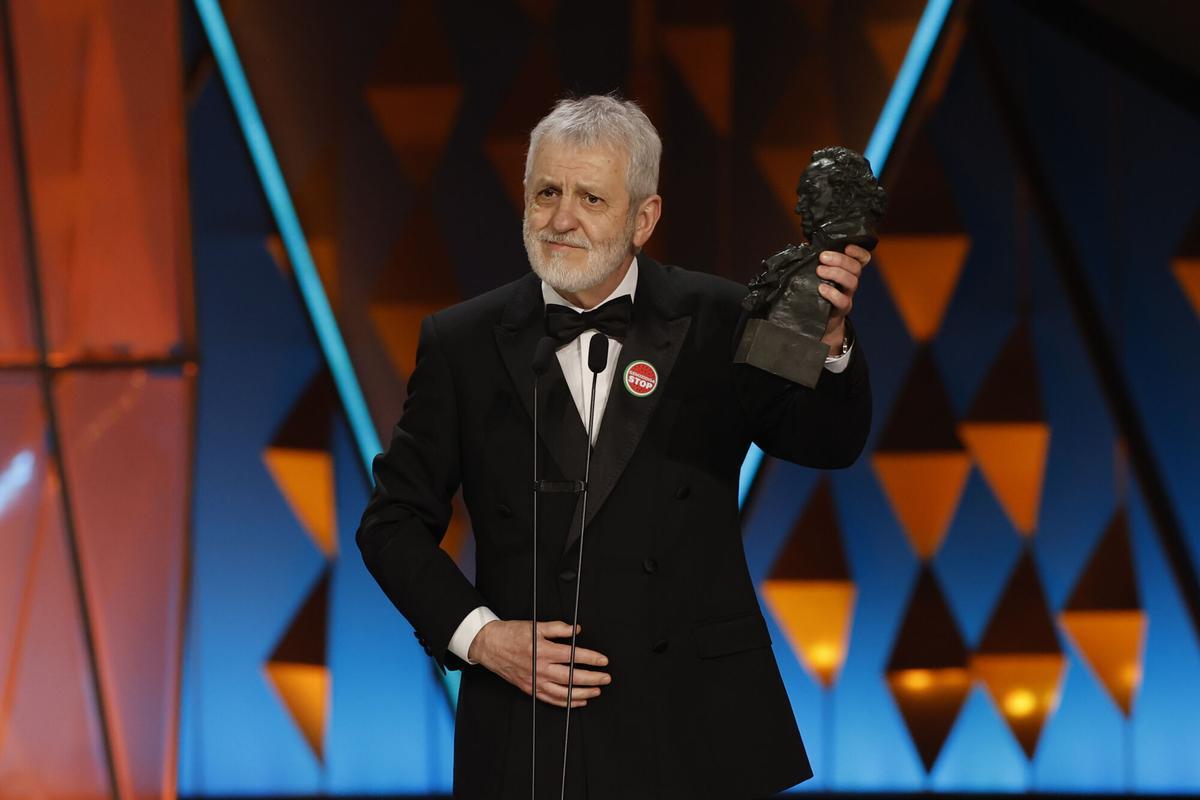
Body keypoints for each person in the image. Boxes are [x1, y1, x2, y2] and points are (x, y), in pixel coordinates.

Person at [356, 95, 872, 800]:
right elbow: (391, 524)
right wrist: (481, 637)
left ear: (644, 218)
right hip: (532, 728)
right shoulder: (462, 343)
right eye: (546, 192)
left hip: (697, 728)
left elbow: (826, 441)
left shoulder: (723, 319)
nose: (561, 219)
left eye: (590, 197)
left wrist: (832, 341)